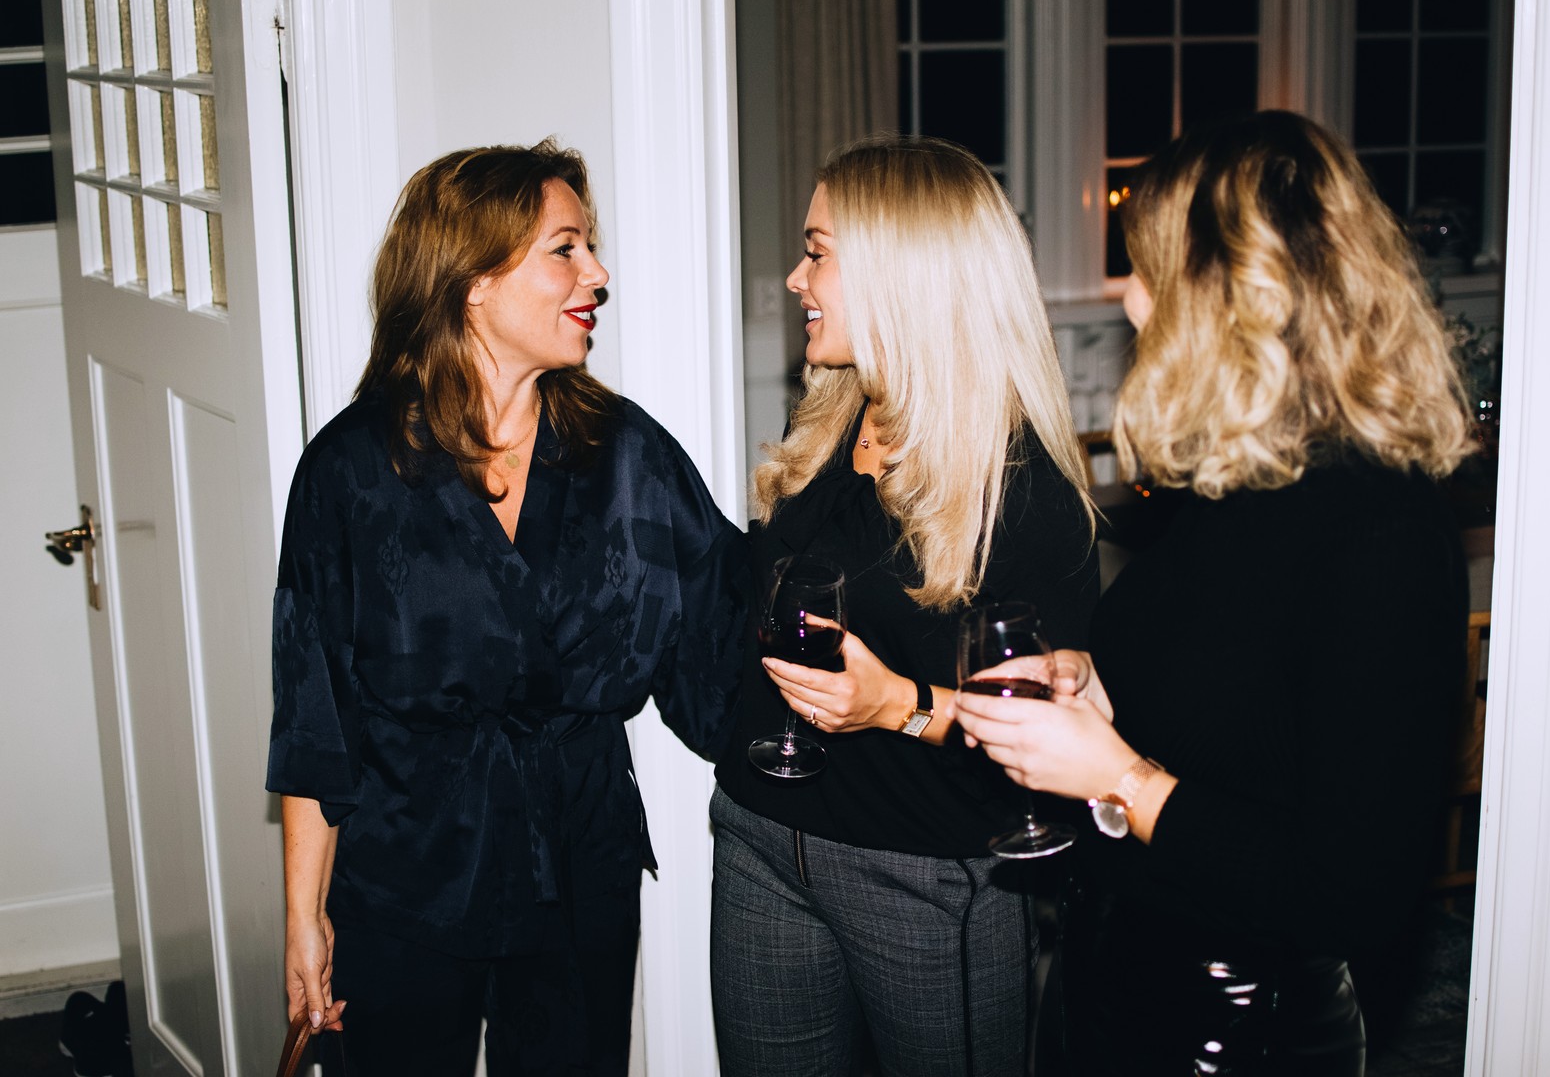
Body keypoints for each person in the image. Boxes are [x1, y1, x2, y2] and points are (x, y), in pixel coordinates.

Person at [954, 110, 1476, 1076]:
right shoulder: (1238, 479)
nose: (1132, 302)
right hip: (1108, 973)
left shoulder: (1384, 532)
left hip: (1236, 1030)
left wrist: (1121, 778)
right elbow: (1237, 714)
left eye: (1149, 270)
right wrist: (1100, 691)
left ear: (1237, 294)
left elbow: (1353, 893)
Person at [267, 140, 748, 1076]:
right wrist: (304, 914)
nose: (597, 275)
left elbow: (728, 627)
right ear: (474, 282)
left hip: (579, 863)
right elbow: (315, 718)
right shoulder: (350, 472)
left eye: (590, 248)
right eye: (565, 249)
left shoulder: (625, 454)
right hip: (406, 873)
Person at [709, 135, 1100, 1077]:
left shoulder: (1023, 491)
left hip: (926, 872)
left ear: (901, 274)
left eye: (818, 252)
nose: (796, 279)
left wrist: (901, 707)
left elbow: (1057, 738)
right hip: (761, 841)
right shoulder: (833, 419)